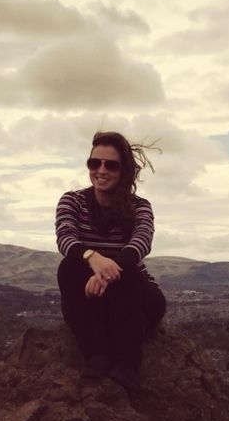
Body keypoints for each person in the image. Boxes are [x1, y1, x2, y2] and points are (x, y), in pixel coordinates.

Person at [55, 130, 167, 392]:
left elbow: (141, 242)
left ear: (124, 170)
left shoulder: (139, 206)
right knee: (69, 268)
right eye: (94, 163)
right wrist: (92, 258)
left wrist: (107, 270)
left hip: (135, 297)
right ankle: (97, 354)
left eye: (110, 164)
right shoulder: (72, 201)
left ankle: (127, 365)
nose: (101, 170)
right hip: (92, 296)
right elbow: (65, 237)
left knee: (127, 274)